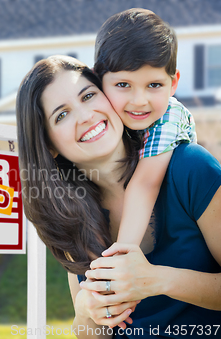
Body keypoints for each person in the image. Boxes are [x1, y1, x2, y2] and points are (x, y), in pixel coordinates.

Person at [16, 55, 221, 338]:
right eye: (61, 115)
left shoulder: (189, 167)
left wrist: (158, 280)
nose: (86, 116)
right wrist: (87, 310)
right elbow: (90, 331)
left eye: (88, 96)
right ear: (48, 145)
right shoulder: (70, 213)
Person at [94, 8, 196, 247]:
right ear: (99, 81)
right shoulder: (105, 118)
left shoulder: (170, 116)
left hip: (179, 223)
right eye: (123, 84)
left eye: (153, 84)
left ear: (173, 84)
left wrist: (122, 254)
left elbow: (145, 185)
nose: (139, 101)